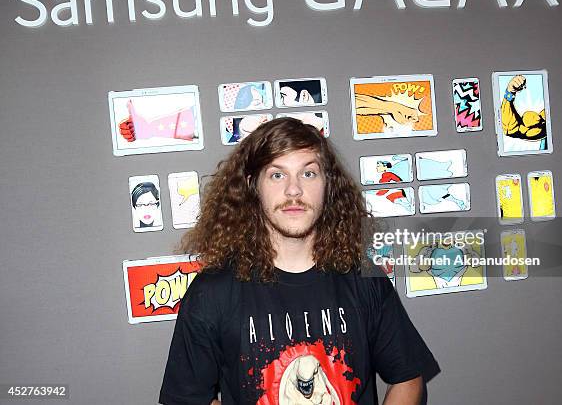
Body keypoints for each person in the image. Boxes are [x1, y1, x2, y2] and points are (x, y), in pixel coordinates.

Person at [159, 117, 439, 404]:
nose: (294, 190)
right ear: (253, 185)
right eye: (277, 175)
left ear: (327, 183)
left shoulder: (363, 277)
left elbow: (407, 378)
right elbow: (187, 398)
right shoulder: (213, 291)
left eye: (308, 174)